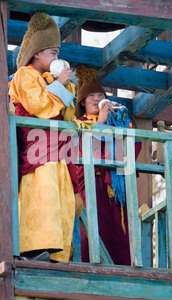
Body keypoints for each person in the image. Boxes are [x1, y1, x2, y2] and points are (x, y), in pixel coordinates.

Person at [9, 11, 79, 263]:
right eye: (53, 53)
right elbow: (39, 106)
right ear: (37, 53)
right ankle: (33, 247)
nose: (56, 58)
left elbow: (67, 114)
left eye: (58, 54)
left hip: (57, 150)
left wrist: (67, 86)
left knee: (61, 199)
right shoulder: (23, 75)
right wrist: (59, 85)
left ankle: (57, 253)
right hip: (37, 151)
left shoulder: (49, 77)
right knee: (41, 196)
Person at [74, 65, 141, 266]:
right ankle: (90, 266)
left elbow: (133, 148)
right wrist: (100, 123)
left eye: (100, 95)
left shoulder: (116, 121)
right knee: (94, 228)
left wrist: (121, 122)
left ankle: (122, 269)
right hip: (92, 182)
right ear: (82, 102)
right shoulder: (77, 123)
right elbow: (82, 152)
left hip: (117, 185)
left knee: (120, 230)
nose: (96, 99)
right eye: (91, 96)